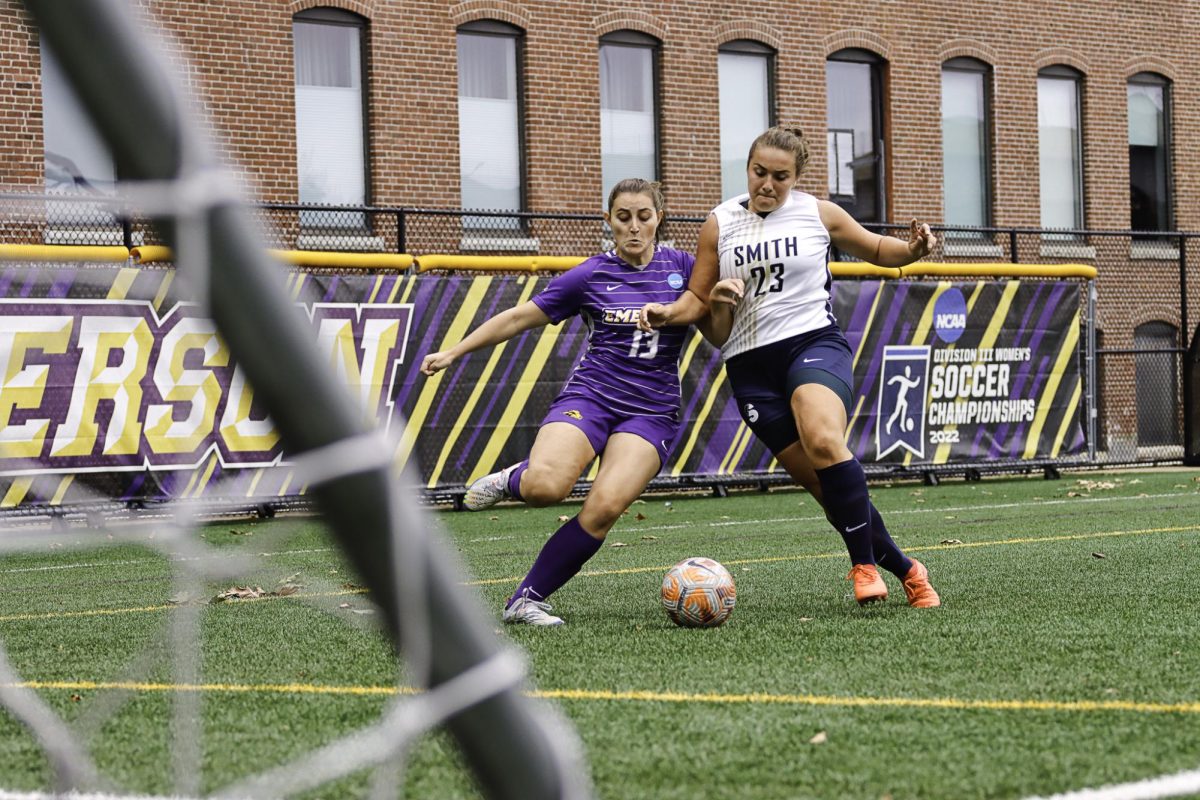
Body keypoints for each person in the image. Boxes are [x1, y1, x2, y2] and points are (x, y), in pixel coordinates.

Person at [639, 126, 941, 608]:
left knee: (823, 438)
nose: (767, 184)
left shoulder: (817, 213)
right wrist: (669, 312)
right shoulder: (719, 222)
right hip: (750, 367)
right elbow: (697, 300)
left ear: (796, 178)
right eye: (759, 172)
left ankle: (863, 566)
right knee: (827, 490)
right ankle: (907, 569)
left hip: (812, 344)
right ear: (748, 168)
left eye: (780, 177)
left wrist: (913, 251)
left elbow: (879, 250)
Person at [421, 178, 724, 626]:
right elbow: (520, 316)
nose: (634, 227)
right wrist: (453, 352)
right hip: (591, 397)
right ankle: (514, 479)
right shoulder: (591, 274)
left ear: (660, 218)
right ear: (608, 222)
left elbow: (716, 331)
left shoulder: (686, 267)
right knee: (547, 487)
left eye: (644, 216)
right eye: (623, 218)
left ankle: (525, 600)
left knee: (602, 508)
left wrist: (721, 302)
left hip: (651, 412)